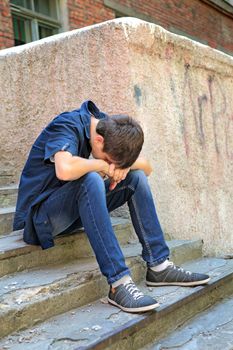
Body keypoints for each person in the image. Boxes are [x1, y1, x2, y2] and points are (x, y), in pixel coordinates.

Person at [13, 100, 210, 313]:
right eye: (108, 159)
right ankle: (119, 284)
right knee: (91, 179)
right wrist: (101, 165)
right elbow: (65, 170)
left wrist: (122, 169)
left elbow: (147, 167)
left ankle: (159, 266)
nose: (109, 165)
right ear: (98, 140)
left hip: (72, 212)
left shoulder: (109, 129)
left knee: (136, 177)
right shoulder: (65, 125)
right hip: (39, 220)